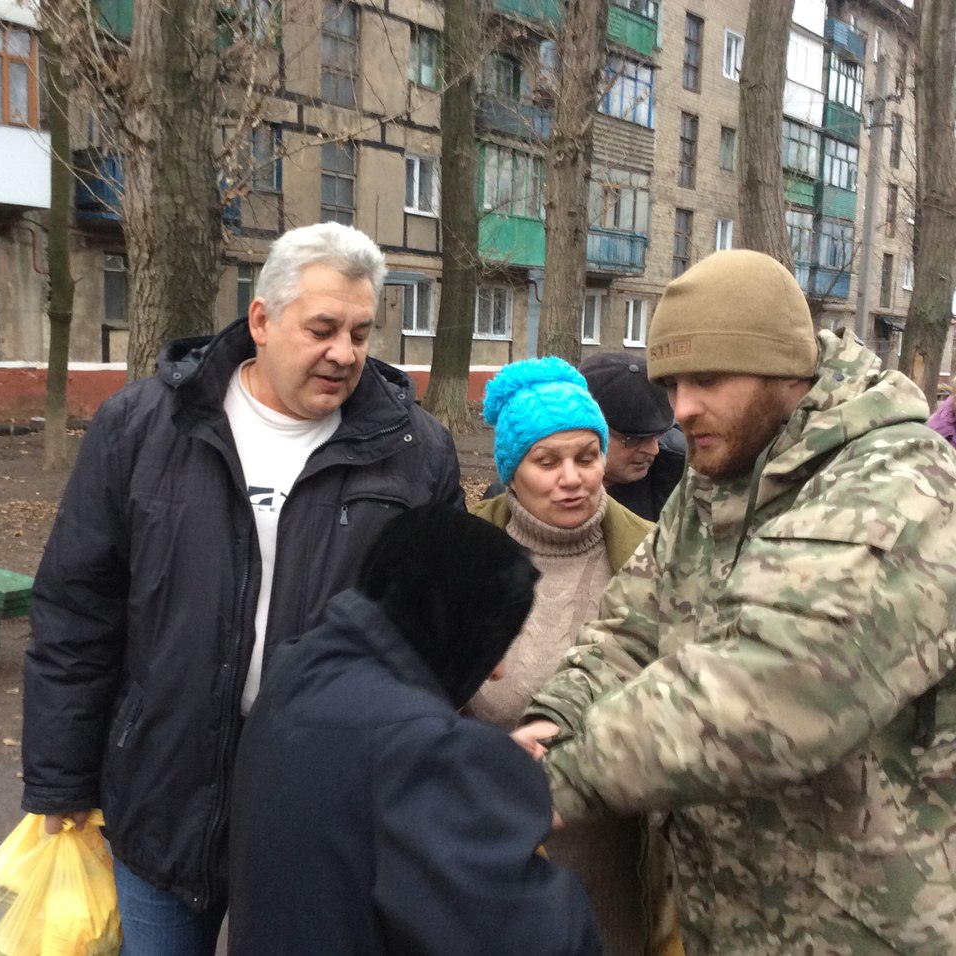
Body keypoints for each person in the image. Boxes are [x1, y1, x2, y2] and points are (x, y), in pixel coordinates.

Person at [20, 222, 466, 956]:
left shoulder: (415, 451)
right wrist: (60, 780)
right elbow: (77, 607)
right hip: (164, 793)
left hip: (323, 814)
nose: (345, 353)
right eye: (322, 328)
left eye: (360, 332)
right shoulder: (142, 427)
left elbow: (434, 639)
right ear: (261, 319)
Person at [517, 249, 956, 953]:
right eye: (673, 383)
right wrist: (554, 722)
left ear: (785, 367)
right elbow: (634, 624)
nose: (681, 408)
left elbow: (767, 687)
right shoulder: (717, 477)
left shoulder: (899, 487)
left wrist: (550, 781)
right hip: (729, 917)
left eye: (708, 379)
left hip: (862, 928)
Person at [228, 504, 604, 956]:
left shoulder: (302, 671)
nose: (498, 671)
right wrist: (495, 787)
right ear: (452, 624)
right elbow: (533, 936)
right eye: (497, 640)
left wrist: (475, 757)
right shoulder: (416, 751)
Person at [465, 357, 665, 956]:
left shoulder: (652, 553)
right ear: (512, 471)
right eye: (546, 462)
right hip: (492, 855)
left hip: (620, 864)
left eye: (586, 456)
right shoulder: (463, 555)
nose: (572, 478)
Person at [579, 351, 686, 520]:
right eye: (634, 439)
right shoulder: (540, 477)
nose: (654, 449)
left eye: (658, 435)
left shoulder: (681, 473)